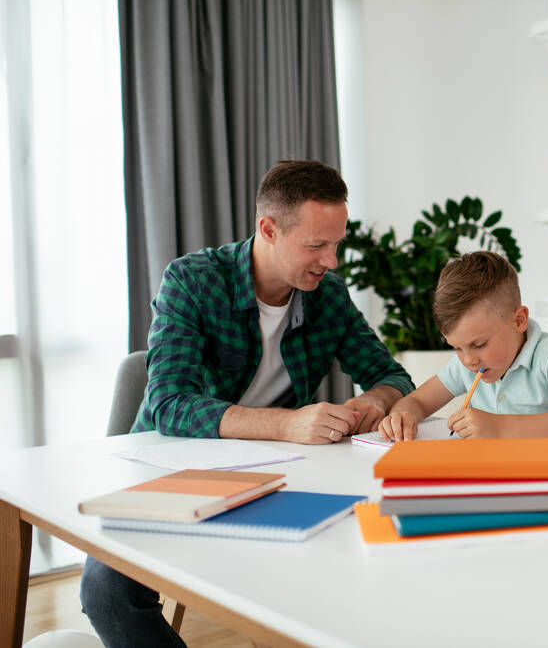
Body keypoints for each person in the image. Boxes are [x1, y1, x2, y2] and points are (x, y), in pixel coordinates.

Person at [81, 159, 414, 647]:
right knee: (107, 592)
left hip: (277, 480)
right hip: (171, 473)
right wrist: (287, 425)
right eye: (317, 245)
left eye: (336, 243)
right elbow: (170, 403)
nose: (332, 260)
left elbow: (391, 376)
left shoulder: (329, 296)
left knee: (334, 572)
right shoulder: (193, 281)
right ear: (269, 229)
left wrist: (374, 402)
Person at [378, 251, 548, 441]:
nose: (467, 360)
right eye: (457, 348)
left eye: (479, 344)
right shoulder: (468, 364)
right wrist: (401, 417)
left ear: (519, 321)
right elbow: (416, 401)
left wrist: (499, 428)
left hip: (544, 478)